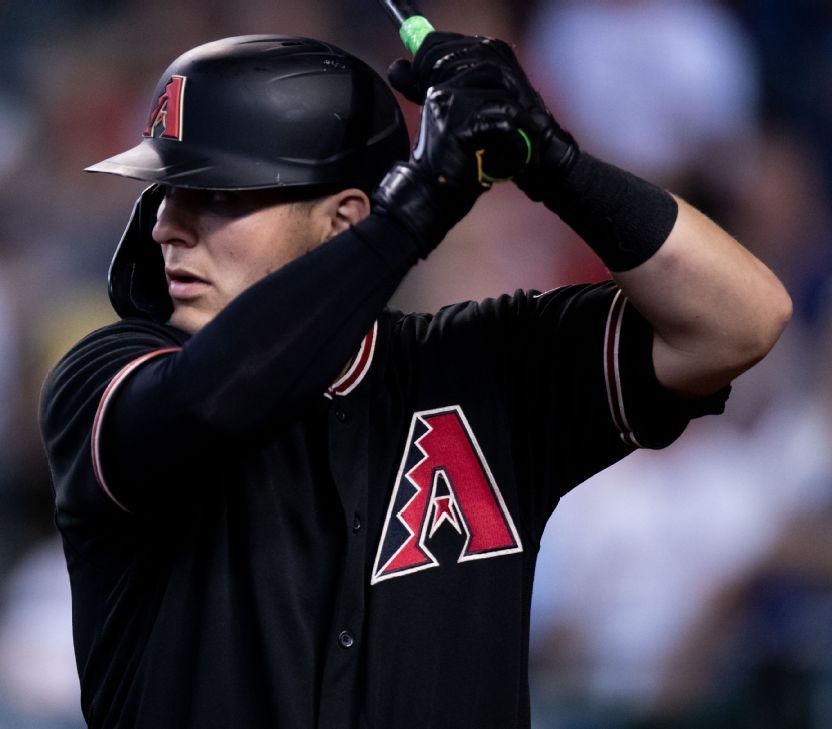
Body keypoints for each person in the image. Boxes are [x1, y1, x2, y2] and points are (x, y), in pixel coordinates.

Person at [39, 33, 790, 728]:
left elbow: (743, 319)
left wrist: (553, 160)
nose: (168, 223)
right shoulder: (105, 375)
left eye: (220, 194)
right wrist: (421, 200)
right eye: (167, 191)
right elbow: (206, 403)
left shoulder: (486, 367)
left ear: (343, 219)